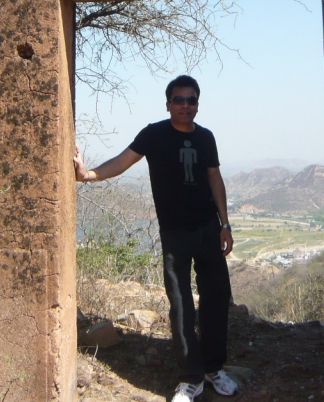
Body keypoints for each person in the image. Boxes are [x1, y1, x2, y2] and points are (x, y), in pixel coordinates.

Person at [74, 75, 239, 402]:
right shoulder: (154, 134)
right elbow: (123, 161)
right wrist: (88, 175)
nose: (185, 105)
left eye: (191, 100)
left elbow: (215, 179)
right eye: (179, 100)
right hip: (175, 232)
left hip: (208, 228)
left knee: (217, 299)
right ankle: (190, 378)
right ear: (168, 104)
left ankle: (213, 369)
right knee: (181, 306)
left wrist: (225, 224)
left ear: (197, 104)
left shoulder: (205, 137)